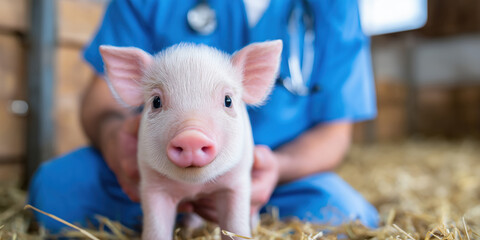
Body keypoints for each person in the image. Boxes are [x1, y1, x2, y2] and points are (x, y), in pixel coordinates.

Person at [28, 0, 378, 233]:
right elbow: (101, 99)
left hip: (277, 181)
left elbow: (335, 133)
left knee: (347, 214)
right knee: (58, 190)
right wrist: (113, 140)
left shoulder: (335, 5)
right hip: (145, 167)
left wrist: (276, 169)